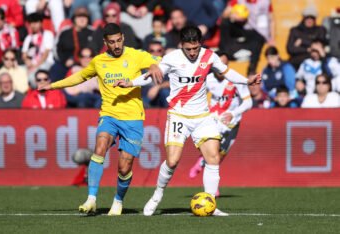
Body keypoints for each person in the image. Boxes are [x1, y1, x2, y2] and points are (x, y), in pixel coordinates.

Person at [114, 26, 261, 216]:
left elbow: (227, 72)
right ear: (181, 45)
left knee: (213, 158)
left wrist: (246, 81)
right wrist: (131, 83)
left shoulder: (209, 56)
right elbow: (151, 75)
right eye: (188, 49)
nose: (192, 53)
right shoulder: (172, 58)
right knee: (173, 161)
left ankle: (211, 203)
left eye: (195, 48)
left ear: (200, 44)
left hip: (202, 116)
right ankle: (157, 195)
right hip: (178, 115)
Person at [38, 23, 163, 216]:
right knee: (100, 146)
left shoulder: (137, 55)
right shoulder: (99, 62)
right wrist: (53, 86)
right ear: (105, 42)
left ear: (123, 38)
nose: (116, 45)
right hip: (109, 114)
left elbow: (158, 61)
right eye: (112, 42)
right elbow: (79, 77)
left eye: (119, 40)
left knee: (124, 166)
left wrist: (154, 64)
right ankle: (91, 199)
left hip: (133, 118)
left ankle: (118, 200)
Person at [188, 50, 253, 197]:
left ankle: (201, 162)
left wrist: (233, 113)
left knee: (221, 155)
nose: (222, 67)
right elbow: (198, 96)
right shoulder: (207, 79)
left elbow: (249, 102)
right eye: (219, 64)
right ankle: (212, 188)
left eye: (225, 64)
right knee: (214, 153)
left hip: (233, 122)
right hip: (214, 120)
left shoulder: (236, 79)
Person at [286, 5, 327, 70]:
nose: (309, 20)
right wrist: (309, 48)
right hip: (297, 62)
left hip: (315, 63)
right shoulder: (295, 31)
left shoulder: (320, 30)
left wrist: (301, 42)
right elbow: (290, 49)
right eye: (307, 18)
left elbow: (319, 47)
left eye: (312, 18)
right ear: (304, 18)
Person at [22, 12, 54, 88]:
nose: (33, 25)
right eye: (31, 23)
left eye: (36, 22)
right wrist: (27, 61)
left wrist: (35, 67)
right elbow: (24, 54)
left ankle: (37, 93)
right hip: (32, 64)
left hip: (45, 63)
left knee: (32, 77)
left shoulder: (47, 34)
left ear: (41, 23)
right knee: (19, 73)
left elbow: (46, 54)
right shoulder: (28, 38)